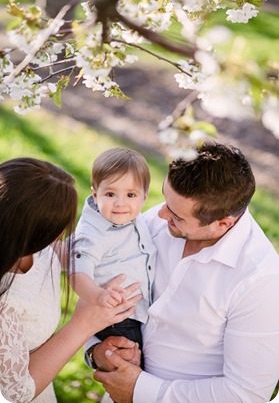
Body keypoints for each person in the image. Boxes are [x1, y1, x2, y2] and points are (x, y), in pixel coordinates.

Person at [91, 142, 279, 403]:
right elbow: (107, 290)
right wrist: (97, 350)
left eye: (177, 216)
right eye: (166, 200)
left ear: (223, 223)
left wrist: (140, 390)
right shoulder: (158, 224)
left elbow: (245, 394)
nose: (160, 213)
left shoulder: (260, 281)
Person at [0, 157, 141, 403]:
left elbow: (74, 254)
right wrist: (83, 325)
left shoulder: (40, 249)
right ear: (38, 232)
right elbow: (15, 393)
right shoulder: (6, 300)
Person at [70, 147, 156, 365]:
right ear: (95, 193)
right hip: (117, 317)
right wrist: (98, 296)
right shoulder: (93, 233)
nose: (120, 203)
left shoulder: (134, 219)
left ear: (144, 196)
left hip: (135, 312)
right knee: (130, 365)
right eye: (110, 194)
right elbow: (77, 274)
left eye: (130, 195)